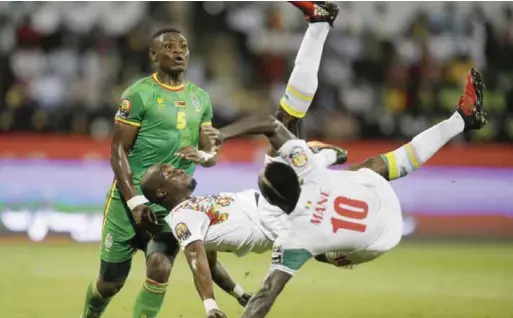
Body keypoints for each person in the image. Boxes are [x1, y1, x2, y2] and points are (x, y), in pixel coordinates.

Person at [139, 3, 342, 317]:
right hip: (273, 212)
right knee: (276, 125)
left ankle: (319, 24)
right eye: (169, 172)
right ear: (163, 193)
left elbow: (211, 262)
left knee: (287, 119)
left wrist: (236, 293)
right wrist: (209, 306)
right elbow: (197, 261)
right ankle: (321, 156)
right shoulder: (181, 220)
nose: (176, 171)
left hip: (271, 203)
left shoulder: (196, 211)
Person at [235, 68, 486, 317]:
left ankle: (462, 120)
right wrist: (312, 151)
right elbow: (310, 139)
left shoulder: (294, 239)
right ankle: (461, 120)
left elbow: (266, 294)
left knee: (321, 250)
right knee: (371, 167)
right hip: (379, 198)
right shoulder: (311, 171)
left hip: (381, 239)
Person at [81, 27, 220, 318]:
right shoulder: (139, 94)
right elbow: (117, 150)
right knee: (110, 284)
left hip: (169, 205)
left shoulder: (201, 99)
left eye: (183, 46)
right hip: (127, 202)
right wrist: (135, 203)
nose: (178, 51)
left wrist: (206, 155)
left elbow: (209, 154)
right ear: (153, 56)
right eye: (169, 47)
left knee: (160, 269)